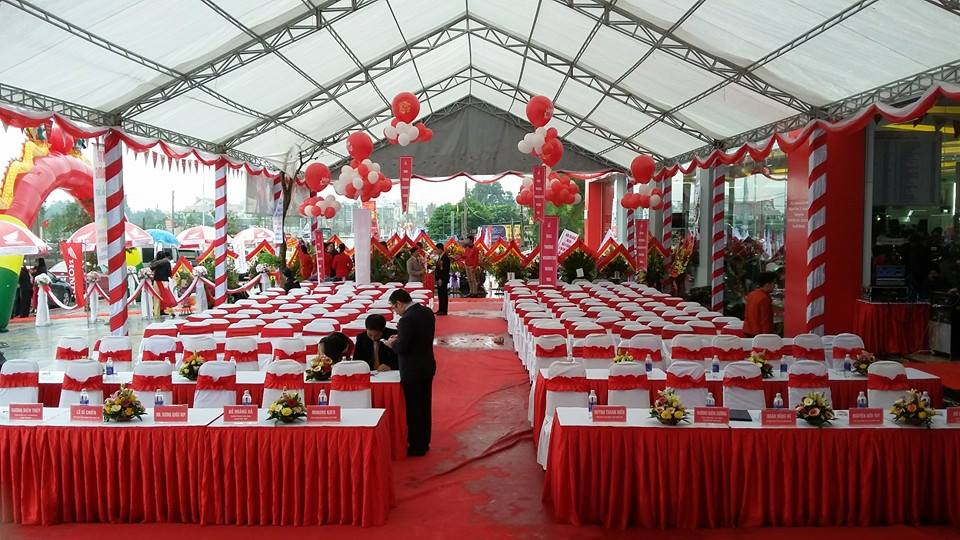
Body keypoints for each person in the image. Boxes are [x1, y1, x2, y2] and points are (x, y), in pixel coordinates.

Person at [384, 289, 436, 456]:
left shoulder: (406, 320)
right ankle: (424, 441)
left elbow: (403, 347)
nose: (395, 312)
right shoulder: (426, 312)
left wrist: (392, 343)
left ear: (399, 303)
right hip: (427, 364)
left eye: (394, 308)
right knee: (425, 406)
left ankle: (416, 446)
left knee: (414, 409)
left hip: (412, 369)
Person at [743, 271, 776, 337]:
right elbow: (765, 320)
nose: (774, 286)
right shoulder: (764, 298)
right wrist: (767, 336)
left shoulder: (751, 294)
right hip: (759, 334)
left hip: (748, 330)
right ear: (767, 284)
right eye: (774, 283)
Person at [150, 251, 177, 316]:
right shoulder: (167, 262)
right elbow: (169, 273)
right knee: (167, 296)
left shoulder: (155, 263)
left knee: (157, 297)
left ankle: (157, 312)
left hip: (156, 281)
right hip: (164, 281)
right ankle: (171, 312)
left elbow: (151, 268)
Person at [434, 245, 451, 316]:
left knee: (443, 294)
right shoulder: (440, 257)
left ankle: (444, 310)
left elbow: (445, 270)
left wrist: (441, 278)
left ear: (440, 249)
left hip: (443, 279)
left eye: (436, 249)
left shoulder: (445, 258)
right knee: (440, 294)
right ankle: (440, 309)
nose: (435, 251)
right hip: (439, 278)